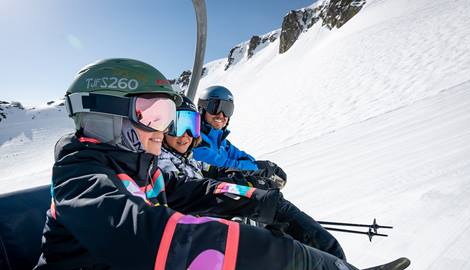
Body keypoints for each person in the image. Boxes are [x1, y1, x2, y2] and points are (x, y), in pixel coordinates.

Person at [35, 58, 358, 270]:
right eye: (154, 115)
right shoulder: (80, 175)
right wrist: (289, 258)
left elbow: (202, 189)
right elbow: (152, 236)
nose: (163, 131)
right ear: (104, 115)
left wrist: (270, 206)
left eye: (168, 119)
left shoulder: (144, 169)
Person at [159, 96, 347, 261]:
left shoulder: (188, 157)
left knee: (279, 233)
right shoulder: (162, 163)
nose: (186, 134)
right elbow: (198, 187)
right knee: (274, 228)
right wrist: (246, 187)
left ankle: (328, 259)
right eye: (177, 126)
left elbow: (221, 168)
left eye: (191, 126)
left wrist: (248, 177)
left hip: (214, 227)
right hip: (198, 241)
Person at [193, 85, 287, 189]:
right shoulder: (194, 140)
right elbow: (222, 166)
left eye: (227, 110)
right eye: (215, 107)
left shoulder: (223, 143)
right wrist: (257, 168)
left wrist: (257, 166)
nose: (221, 115)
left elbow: (245, 158)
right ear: (202, 109)